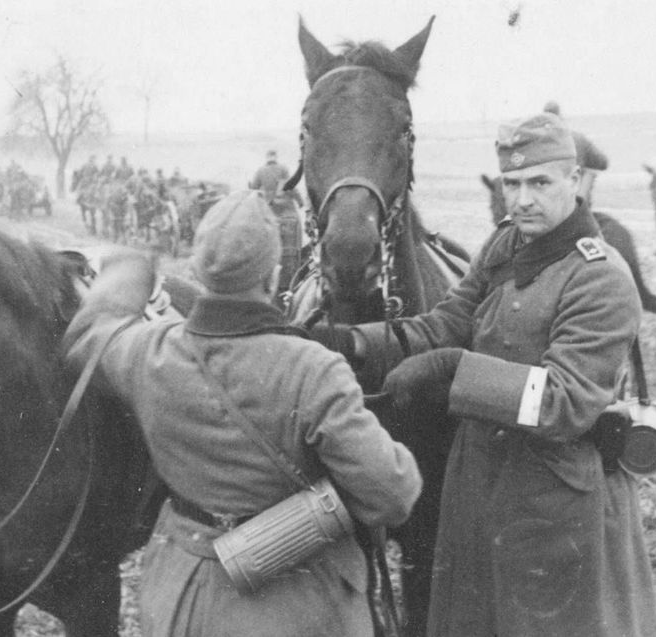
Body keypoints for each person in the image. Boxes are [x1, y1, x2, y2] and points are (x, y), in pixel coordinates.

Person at [314, 113, 656, 636]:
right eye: (513, 184)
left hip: (555, 502)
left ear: (576, 181)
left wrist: (455, 369)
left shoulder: (600, 278)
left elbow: (562, 403)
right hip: (479, 488)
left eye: (540, 182)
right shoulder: (506, 246)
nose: (523, 199)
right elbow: (448, 322)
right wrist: (353, 341)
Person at [62, 190, 422, 637]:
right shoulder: (313, 369)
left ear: (195, 272)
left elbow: (92, 332)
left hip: (182, 591)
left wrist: (130, 263)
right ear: (273, 277)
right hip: (297, 600)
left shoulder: (148, 353)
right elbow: (393, 494)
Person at [543, 100, 609, 207]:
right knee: (588, 174)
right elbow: (603, 163)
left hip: (549, 204)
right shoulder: (579, 138)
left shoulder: (538, 142)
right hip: (577, 203)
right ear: (560, 117)